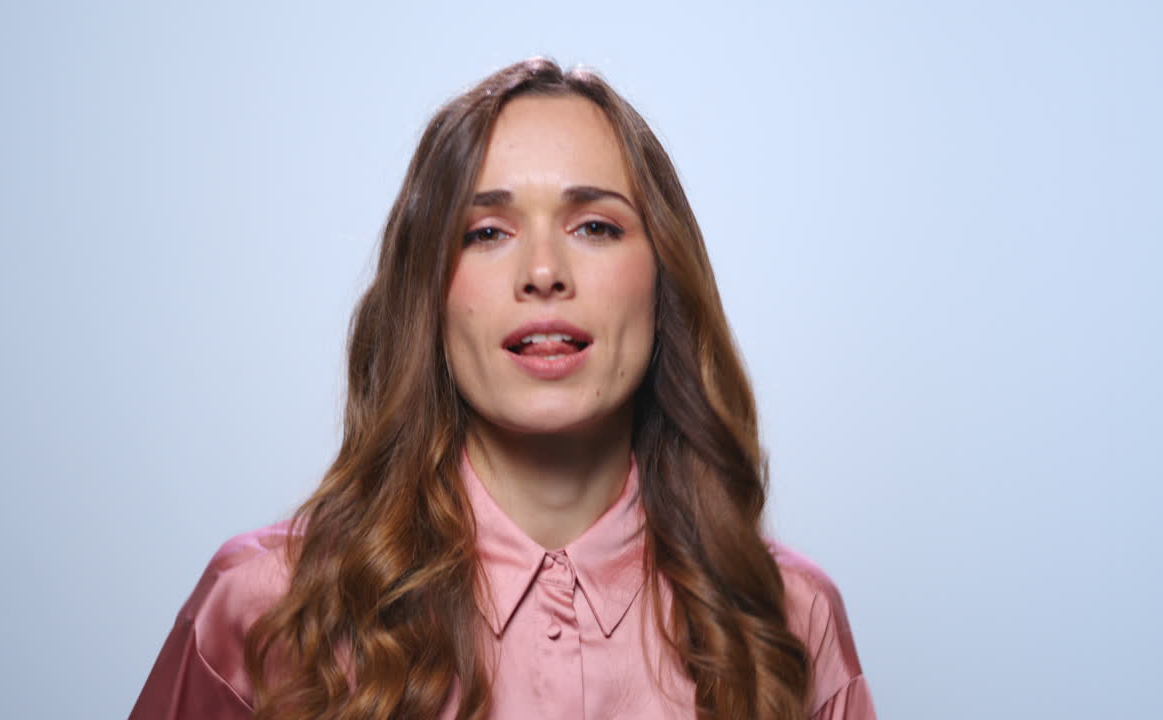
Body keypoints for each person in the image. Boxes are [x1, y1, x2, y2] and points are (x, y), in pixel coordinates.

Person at [130, 58, 876, 720]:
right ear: (429, 290)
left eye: (595, 227)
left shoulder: (788, 621)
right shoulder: (263, 608)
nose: (544, 271)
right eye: (486, 232)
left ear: (663, 280)